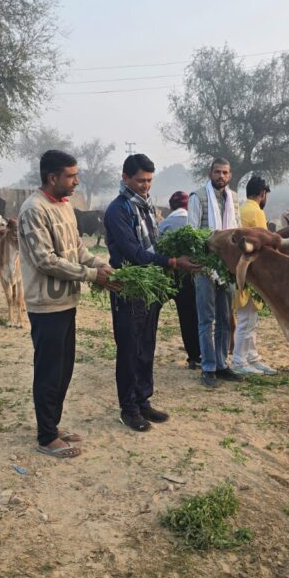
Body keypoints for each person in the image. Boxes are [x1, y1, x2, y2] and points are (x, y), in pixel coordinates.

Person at [18, 149, 114, 459]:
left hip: (67, 301)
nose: (76, 181)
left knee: (63, 370)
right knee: (48, 371)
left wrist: (103, 266)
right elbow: (46, 261)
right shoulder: (34, 210)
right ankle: (46, 436)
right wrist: (90, 275)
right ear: (52, 177)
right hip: (46, 304)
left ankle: (53, 424)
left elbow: (78, 249)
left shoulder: (65, 206)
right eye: (71, 176)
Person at [104, 154, 200, 431]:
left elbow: (154, 244)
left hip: (150, 287)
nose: (145, 185)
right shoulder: (118, 210)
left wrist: (173, 254)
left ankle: (143, 400)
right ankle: (129, 408)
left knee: (146, 346)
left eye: (148, 180)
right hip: (129, 286)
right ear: (125, 178)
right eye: (140, 180)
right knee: (130, 349)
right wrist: (171, 262)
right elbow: (133, 252)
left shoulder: (144, 207)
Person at [187, 157, 240, 387]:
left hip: (227, 265)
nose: (221, 176)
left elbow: (235, 230)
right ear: (210, 174)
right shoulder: (198, 197)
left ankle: (221, 364)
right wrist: (203, 260)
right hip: (205, 266)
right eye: (218, 172)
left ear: (230, 175)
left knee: (225, 318)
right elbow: (192, 233)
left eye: (225, 173)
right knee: (206, 319)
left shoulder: (233, 198)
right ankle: (208, 367)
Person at [231, 176, 277, 376]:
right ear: (262, 194)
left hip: (238, 268)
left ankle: (252, 356)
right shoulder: (256, 212)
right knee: (247, 319)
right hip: (251, 271)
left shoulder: (240, 209)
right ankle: (239, 360)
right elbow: (265, 242)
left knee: (249, 317)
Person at [158, 191, 202, 370]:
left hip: (167, 274)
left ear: (171, 206)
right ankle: (194, 357)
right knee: (189, 317)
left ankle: (143, 349)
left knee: (152, 312)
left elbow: (157, 248)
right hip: (189, 276)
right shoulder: (193, 223)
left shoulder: (164, 224)